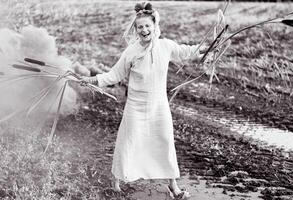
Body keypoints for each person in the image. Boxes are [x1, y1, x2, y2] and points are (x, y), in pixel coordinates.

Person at [79, 2, 210, 199]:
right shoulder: (131, 51)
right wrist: (92, 80)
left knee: (165, 142)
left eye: (147, 26)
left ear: (154, 26)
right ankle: (116, 182)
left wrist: (206, 50)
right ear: (136, 29)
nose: (144, 30)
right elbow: (114, 75)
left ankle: (173, 186)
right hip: (135, 106)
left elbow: (187, 52)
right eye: (140, 27)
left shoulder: (165, 46)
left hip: (159, 106)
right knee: (128, 141)